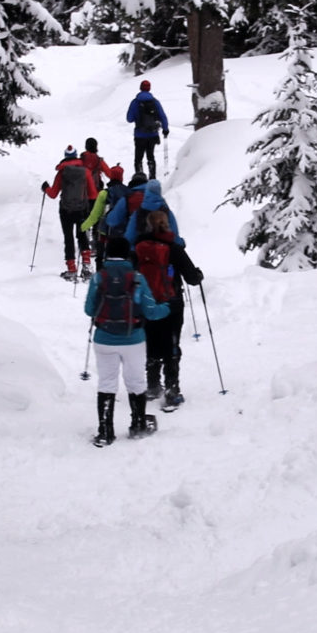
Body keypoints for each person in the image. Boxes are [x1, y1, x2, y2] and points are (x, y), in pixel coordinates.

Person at [84, 236, 171, 446]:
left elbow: (89, 309)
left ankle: (105, 431)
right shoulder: (137, 278)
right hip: (133, 339)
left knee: (107, 382)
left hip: (104, 339)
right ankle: (139, 424)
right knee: (135, 381)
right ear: (127, 254)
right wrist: (168, 307)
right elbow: (151, 312)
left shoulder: (99, 278)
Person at [131, 209, 204, 408]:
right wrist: (198, 275)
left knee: (151, 341)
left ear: (148, 225)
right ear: (167, 224)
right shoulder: (174, 248)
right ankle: (172, 390)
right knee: (171, 344)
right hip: (171, 303)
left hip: (147, 302)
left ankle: (153, 385)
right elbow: (191, 278)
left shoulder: (139, 247)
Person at [41, 145, 100, 280]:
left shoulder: (62, 173)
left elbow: (53, 194)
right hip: (81, 209)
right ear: (76, 155)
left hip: (65, 210)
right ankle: (86, 267)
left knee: (68, 238)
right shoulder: (85, 171)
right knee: (82, 236)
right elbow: (92, 194)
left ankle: (71, 269)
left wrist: (45, 188)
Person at [104, 173, 179, 248]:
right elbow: (174, 232)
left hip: (140, 250)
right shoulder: (163, 206)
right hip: (164, 251)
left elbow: (112, 221)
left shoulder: (128, 200)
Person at [79, 162, 128, 269]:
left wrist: (82, 227)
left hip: (105, 235)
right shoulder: (128, 193)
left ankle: (101, 280)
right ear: (121, 178)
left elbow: (94, 216)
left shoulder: (104, 194)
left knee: (101, 260)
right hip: (124, 235)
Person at [126, 79, 169, 179]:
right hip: (152, 134)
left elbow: (129, 119)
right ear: (149, 89)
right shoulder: (155, 102)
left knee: (138, 158)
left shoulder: (135, 102)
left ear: (140, 88)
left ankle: (140, 178)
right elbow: (163, 116)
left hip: (139, 135)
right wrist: (165, 129)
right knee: (151, 156)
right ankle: (152, 177)